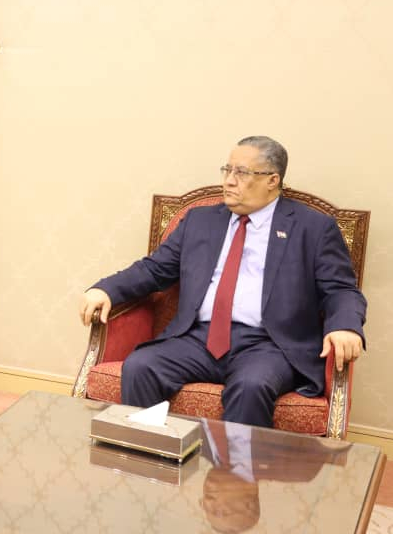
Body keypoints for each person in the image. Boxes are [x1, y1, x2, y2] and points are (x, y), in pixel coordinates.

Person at [79, 136, 367, 427]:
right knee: (141, 366)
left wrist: (345, 325)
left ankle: (233, 460)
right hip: (198, 338)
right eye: (227, 170)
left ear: (272, 180)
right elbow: (155, 269)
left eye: (241, 172)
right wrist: (106, 289)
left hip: (268, 344)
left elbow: (340, 289)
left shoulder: (313, 228)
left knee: (251, 386)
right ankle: (150, 452)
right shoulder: (199, 220)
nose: (229, 181)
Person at [199, 419, 350, 534]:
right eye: (221, 512)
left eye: (206, 508)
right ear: (249, 505)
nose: (208, 501)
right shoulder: (296, 469)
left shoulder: (197, 446)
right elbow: (335, 452)